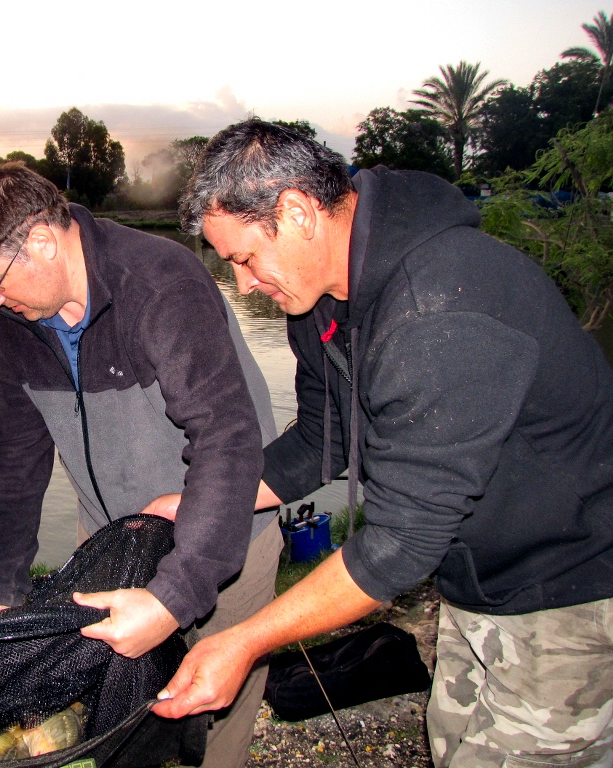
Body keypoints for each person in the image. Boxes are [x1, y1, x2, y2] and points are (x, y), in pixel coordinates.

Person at [150, 118, 613, 767]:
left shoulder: (438, 307)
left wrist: (246, 641)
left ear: (297, 212)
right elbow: (319, 440)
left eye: (245, 258)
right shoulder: (320, 305)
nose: (245, 285)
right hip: (475, 579)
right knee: (453, 744)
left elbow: (398, 545)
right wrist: (204, 500)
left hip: (575, 586)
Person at [0, 163, 284, 768]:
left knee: (218, 697)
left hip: (227, 530)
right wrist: (0, 586)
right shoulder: (11, 323)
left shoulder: (158, 283)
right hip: (111, 538)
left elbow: (226, 438)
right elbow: (14, 454)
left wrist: (176, 596)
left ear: (42, 241)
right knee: (116, 710)